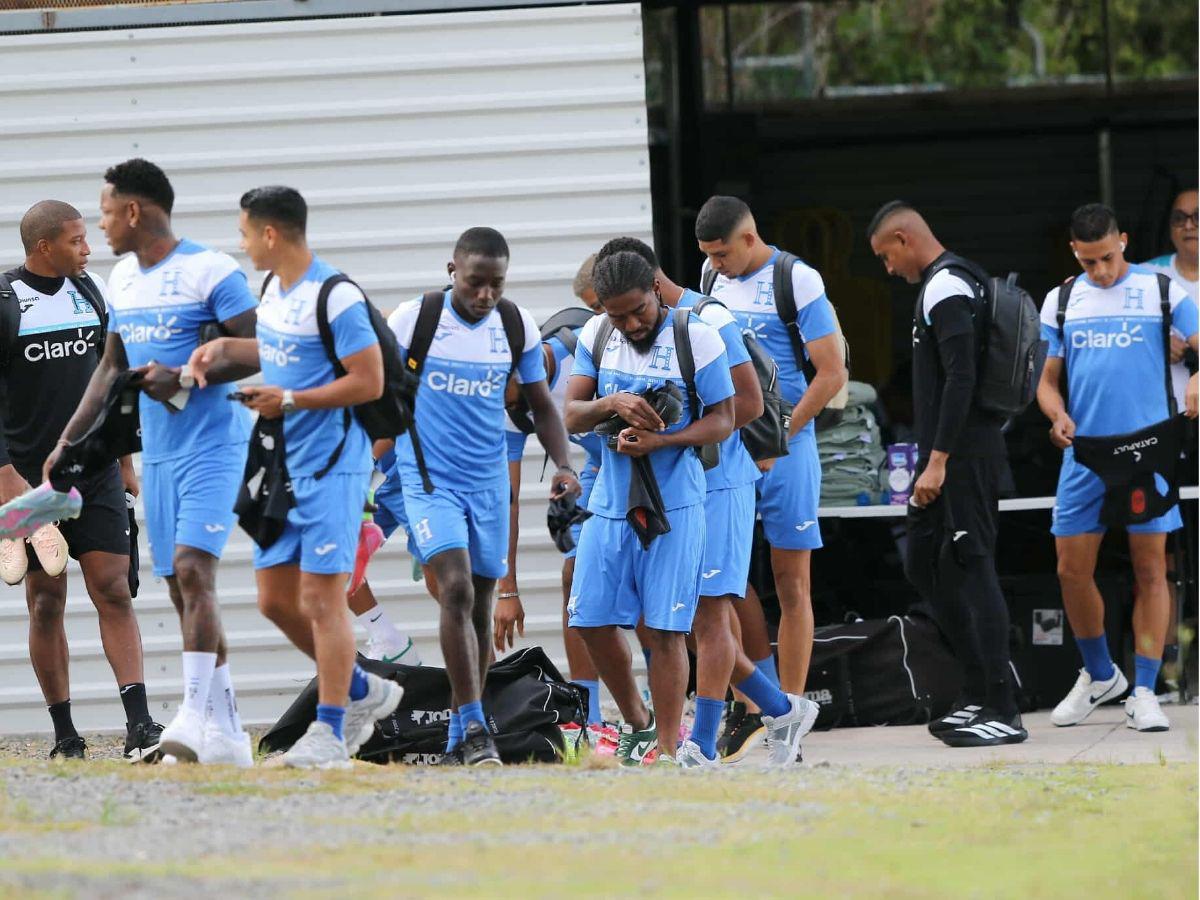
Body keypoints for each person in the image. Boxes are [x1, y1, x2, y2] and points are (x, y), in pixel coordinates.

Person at [45, 159, 257, 765]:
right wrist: (68, 441)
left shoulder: (210, 269)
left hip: (215, 443)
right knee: (176, 584)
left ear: (134, 211)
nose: (103, 226)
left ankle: (192, 716)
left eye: (108, 213)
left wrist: (190, 371)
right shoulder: (123, 279)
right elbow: (111, 368)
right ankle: (228, 731)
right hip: (159, 452)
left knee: (194, 570)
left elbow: (257, 348)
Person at [189, 186, 402, 768]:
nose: (241, 244)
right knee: (273, 599)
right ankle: (363, 687)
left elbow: (370, 381)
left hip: (335, 467)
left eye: (244, 233)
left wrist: (291, 398)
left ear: (271, 235)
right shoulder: (274, 290)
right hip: (283, 466)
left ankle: (331, 733)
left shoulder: (335, 296)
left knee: (321, 597)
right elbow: (279, 347)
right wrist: (226, 348)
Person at [598, 237, 819, 767]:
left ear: (650, 282)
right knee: (677, 616)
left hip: (721, 481)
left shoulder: (705, 317)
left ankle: (701, 743)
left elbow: (745, 403)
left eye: (628, 308)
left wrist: (680, 433)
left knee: (710, 615)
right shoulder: (647, 329)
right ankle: (782, 709)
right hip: (681, 483)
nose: (621, 324)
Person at [387, 227, 579, 766]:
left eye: (496, 284)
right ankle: (475, 728)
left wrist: (563, 463)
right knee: (453, 589)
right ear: (453, 271)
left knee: (478, 604)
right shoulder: (414, 319)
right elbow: (373, 389)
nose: (485, 295)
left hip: (489, 485)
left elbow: (541, 404)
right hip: (430, 482)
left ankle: (458, 736)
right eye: (476, 282)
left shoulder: (513, 323)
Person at [0, 201, 160, 761]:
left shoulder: (90, 294)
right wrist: (6, 479)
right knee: (46, 600)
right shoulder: (6, 301)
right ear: (44, 247)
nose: (87, 248)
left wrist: (124, 460)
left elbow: (112, 380)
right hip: (30, 481)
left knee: (113, 587)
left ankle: (140, 724)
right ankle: (65, 734)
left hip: (94, 471)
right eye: (75, 240)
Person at [565, 250, 736, 766]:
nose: (630, 323)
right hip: (611, 501)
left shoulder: (696, 336)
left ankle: (665, 749)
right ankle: (636, 721)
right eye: (618, 315)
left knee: (665, 629)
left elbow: (725, 419)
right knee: (588, 616)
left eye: (637, 311)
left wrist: (665, 440)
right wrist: (611, 403)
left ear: (657, 292)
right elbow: (570, 414)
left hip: (677, 503)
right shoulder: (596, 335)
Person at [867, 201, 1026, 747]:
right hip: (946, 461)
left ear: (904, 238)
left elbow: (962, 379)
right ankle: (980, 690)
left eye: (886, 256)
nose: (888, 269)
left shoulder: (947, 288)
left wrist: (937, 461)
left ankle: (1004, 706)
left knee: (973, 572)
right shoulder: (947, 285)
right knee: (927, 567)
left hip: (961, 460)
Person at [1037, 203, 1199, 732]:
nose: (1100, 271)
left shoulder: (1162, 289)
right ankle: (1101, 674)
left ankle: (1147, 689)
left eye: (1107, 257)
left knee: (1153, 570)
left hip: (1149, 446)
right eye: (1089, 262)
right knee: (1070, 569)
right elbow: (1044, 379)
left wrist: (1196, 378)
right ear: (1073, 253)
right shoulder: (1062, 298)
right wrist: (1056, 413)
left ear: (1123, 241)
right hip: (1085, 452)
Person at [693, 197, 847, 706]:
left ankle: (794, 705)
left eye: (721, 253)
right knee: (725, 579)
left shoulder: (797, 278)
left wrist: (779, 439)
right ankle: (752, 703)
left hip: (787, 448)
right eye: (708, 255)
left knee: (791, 583)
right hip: (731, 450)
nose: (715, 264)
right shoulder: (711, 279)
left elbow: (831, 373)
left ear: (749, 238)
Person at [493, 254, 609, 738]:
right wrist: (508, 589)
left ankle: (682, 708)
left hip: (650, 458)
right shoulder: (510, 404)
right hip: (604, 465)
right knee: (575, 578)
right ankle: (589, 714)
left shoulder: (583, 349)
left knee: (640, 589)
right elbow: (508, 499)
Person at [1142, 189, 1198, 412]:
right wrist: (1156, 340)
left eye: (1198, 216)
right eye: (1179, 218)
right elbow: (1115, 336)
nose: (1188, 226)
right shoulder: (1146, 276)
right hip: (1163, 411)